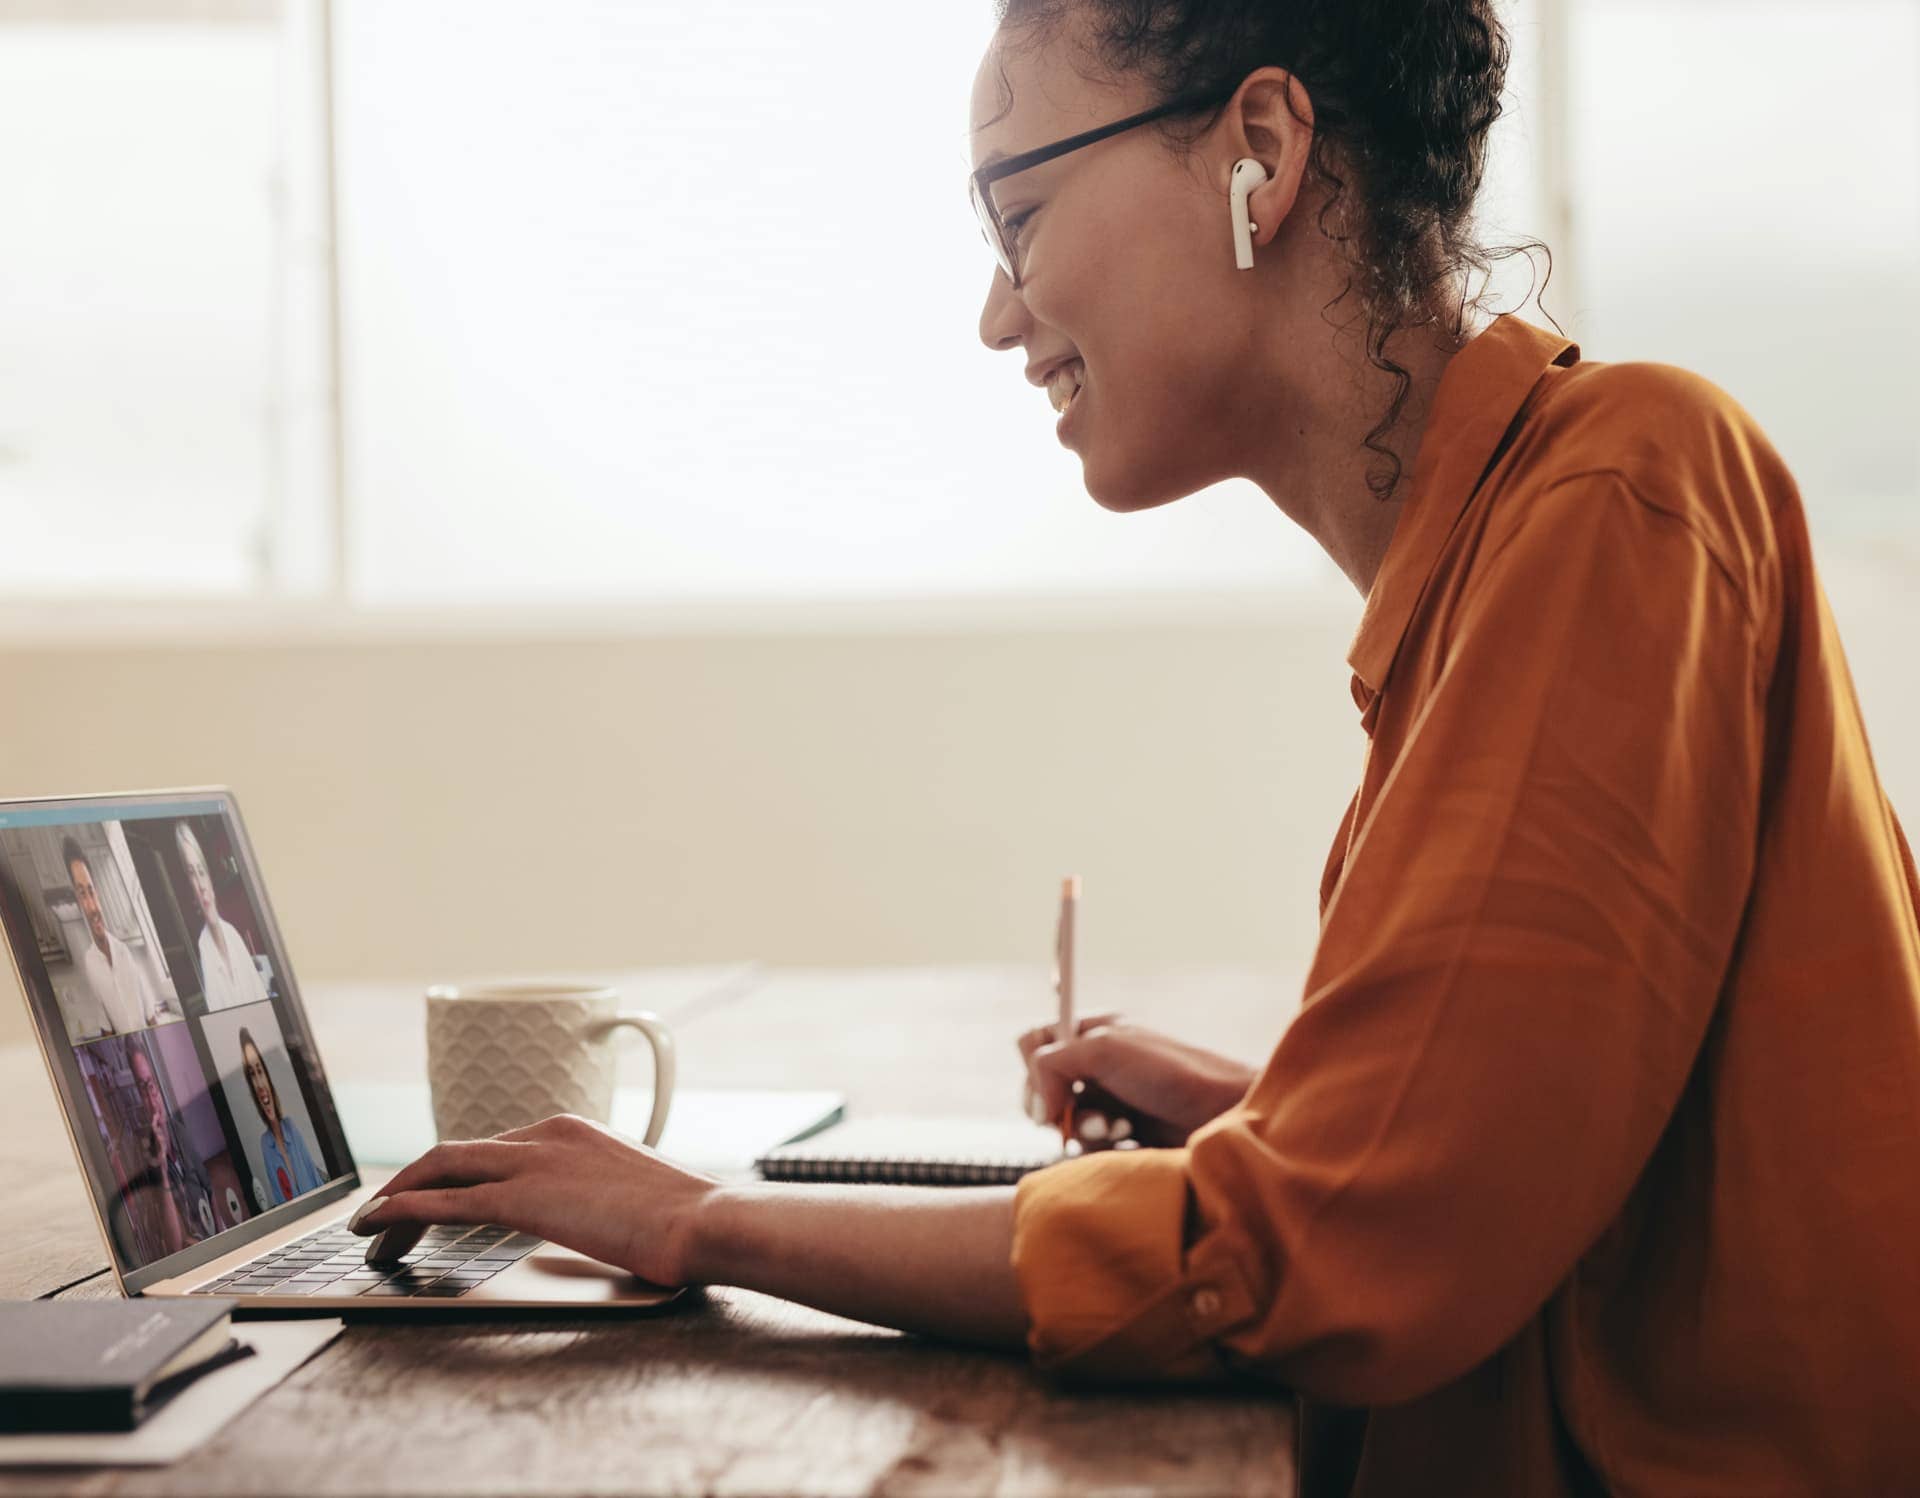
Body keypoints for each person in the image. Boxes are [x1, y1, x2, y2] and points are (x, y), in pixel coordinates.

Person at [347, 2, 1920, 1492]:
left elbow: (1343, 1257)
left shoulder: (1621, 491)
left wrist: (704, 1222)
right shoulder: (1505, 559)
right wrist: (1268, 1114)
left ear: (1261, 150)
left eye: (1015, 216)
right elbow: (1549, 1187)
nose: (994, 315)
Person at [63, 836, 171, 1035]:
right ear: (77, 901)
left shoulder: (124, 951)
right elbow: (106, 1028)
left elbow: (151, 1015)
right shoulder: (89, 963)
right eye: (82, 894)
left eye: (91, 891)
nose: (93, 906)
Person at [118, 1042, 211, 1262]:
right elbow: (176, 1249)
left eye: (152, 1086)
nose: (151, 1101)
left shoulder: (179, 1131)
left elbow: (209, 1189)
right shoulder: (142, 1159)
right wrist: (160, 1167)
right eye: (142, 1090)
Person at [174, 822, 271, 1012]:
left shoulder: (232, 934)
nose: (201, 885)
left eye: (201, 871)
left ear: (210, 878)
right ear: (190, 888)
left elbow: (261, 999)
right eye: (192, 874)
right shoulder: (203, 948)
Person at [238, 1026, 325, 1204]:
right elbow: (280, 1202)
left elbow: (314, 1176)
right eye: (252, 1074)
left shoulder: (290, 1127)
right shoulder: (265, 1144)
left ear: (268, 1077)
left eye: (260, 1070)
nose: (259, 1083)